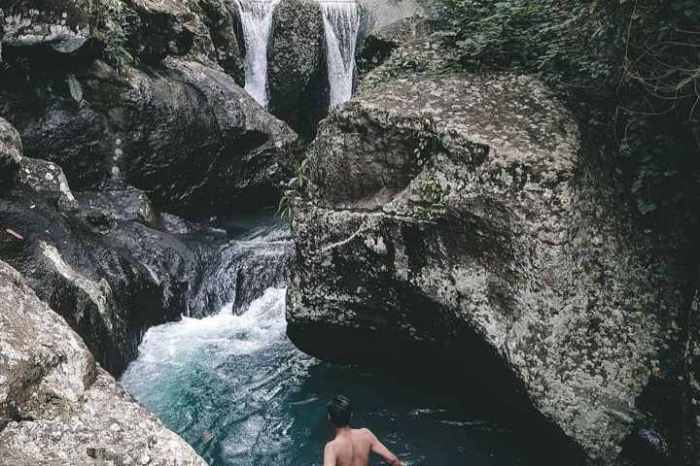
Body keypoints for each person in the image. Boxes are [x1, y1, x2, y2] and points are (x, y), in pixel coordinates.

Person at [323, 395, 404, 466]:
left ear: (329, 418)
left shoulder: (332, 447)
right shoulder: (366, 434)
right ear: (351, 415)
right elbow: (393, 460)